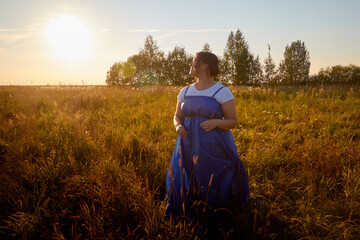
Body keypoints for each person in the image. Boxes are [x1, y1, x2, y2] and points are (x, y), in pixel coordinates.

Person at [165, 51, 249, 218]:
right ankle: (187, 210)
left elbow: (232, 121)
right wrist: (177, 126)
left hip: (212, 144)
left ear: (204, 66)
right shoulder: (185, 91)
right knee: (187, 173)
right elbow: (177, 115)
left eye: (193, 62)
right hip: (186, 143)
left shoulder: (221, 92)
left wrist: (215, 122)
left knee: (211, 176)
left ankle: (214, 212)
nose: (190, 65)